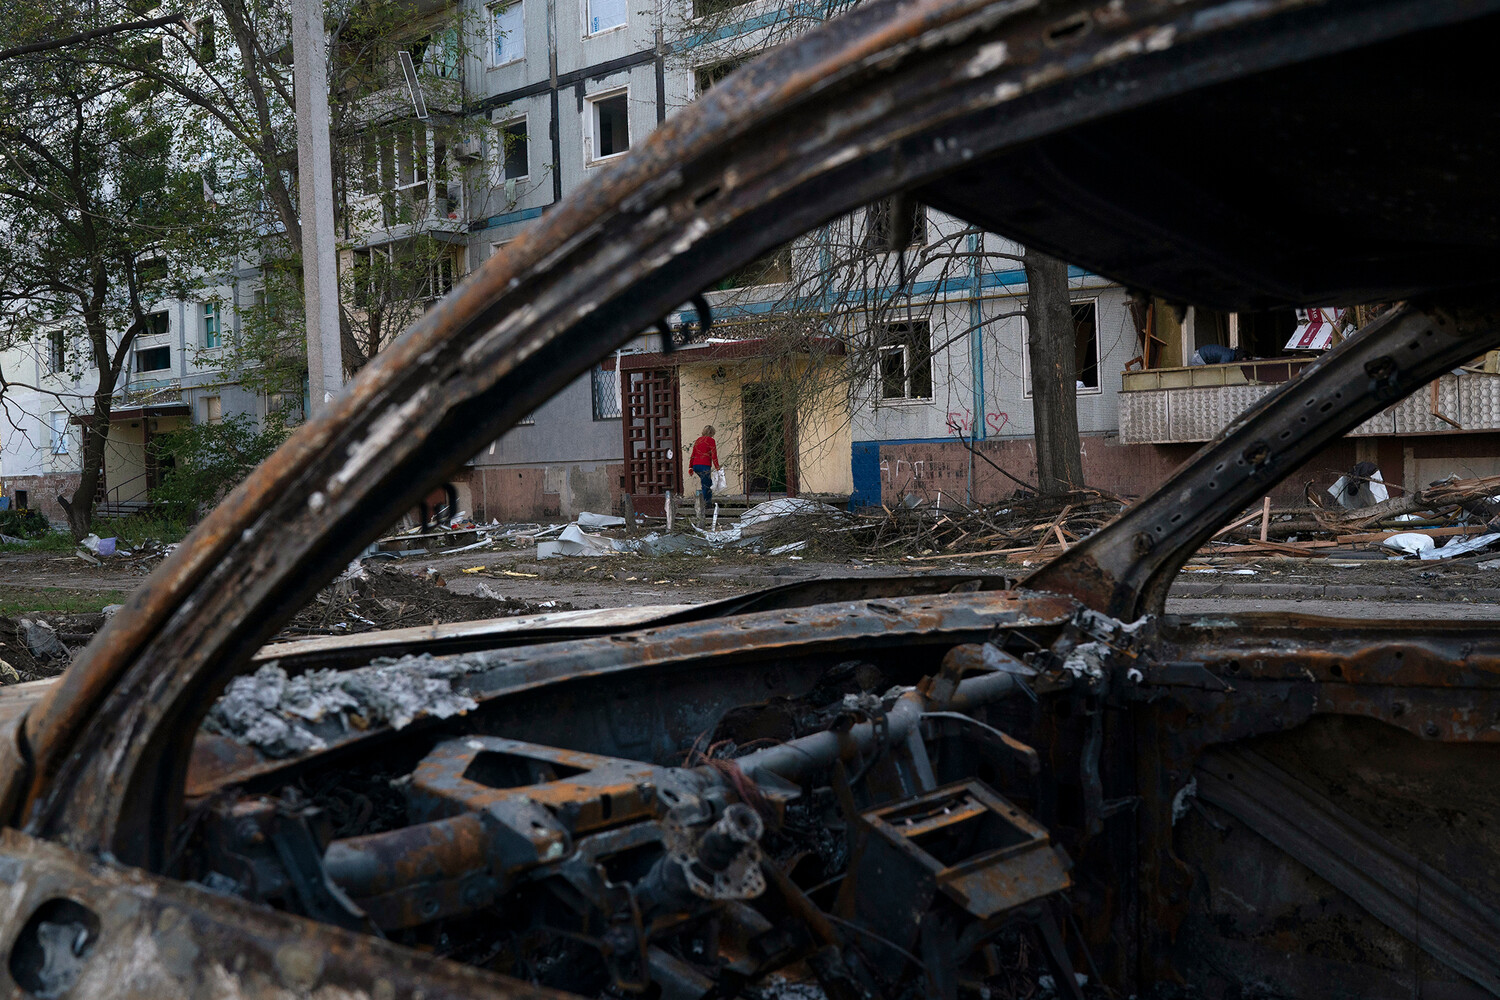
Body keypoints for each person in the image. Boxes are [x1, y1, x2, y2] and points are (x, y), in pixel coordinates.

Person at [688, 425, 720, 508]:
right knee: (706, 484)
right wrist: (717, 466)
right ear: (712, 433)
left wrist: (691, 467)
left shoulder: (698, 440)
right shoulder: (711, 441)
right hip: (704, 465)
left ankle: (706, 502)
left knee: (707, 482)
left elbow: (693, 454)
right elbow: (714, 455)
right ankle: (705, 504)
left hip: (696, 465)